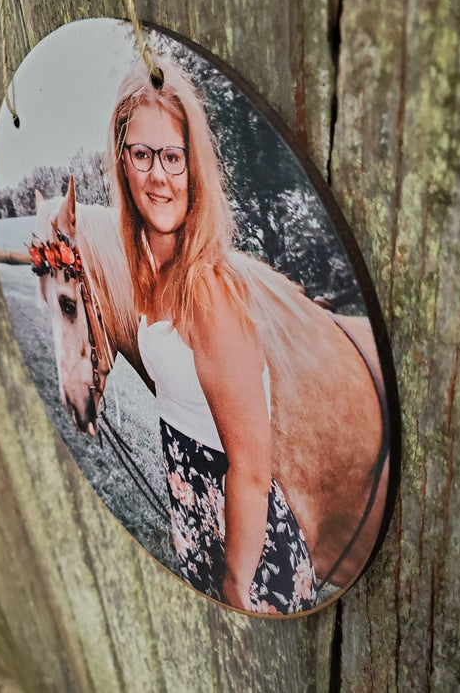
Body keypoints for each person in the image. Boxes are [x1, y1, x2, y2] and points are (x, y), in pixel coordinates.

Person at [107, 56, 317, 614]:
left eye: (173, 156)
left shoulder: (209, 290)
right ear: (123, 162)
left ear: (194, 167)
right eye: (143, 154)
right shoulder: (153, 271)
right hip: (198, 519)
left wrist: (235, 585)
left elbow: (251, 469)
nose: (158, 175)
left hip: (250, 558)